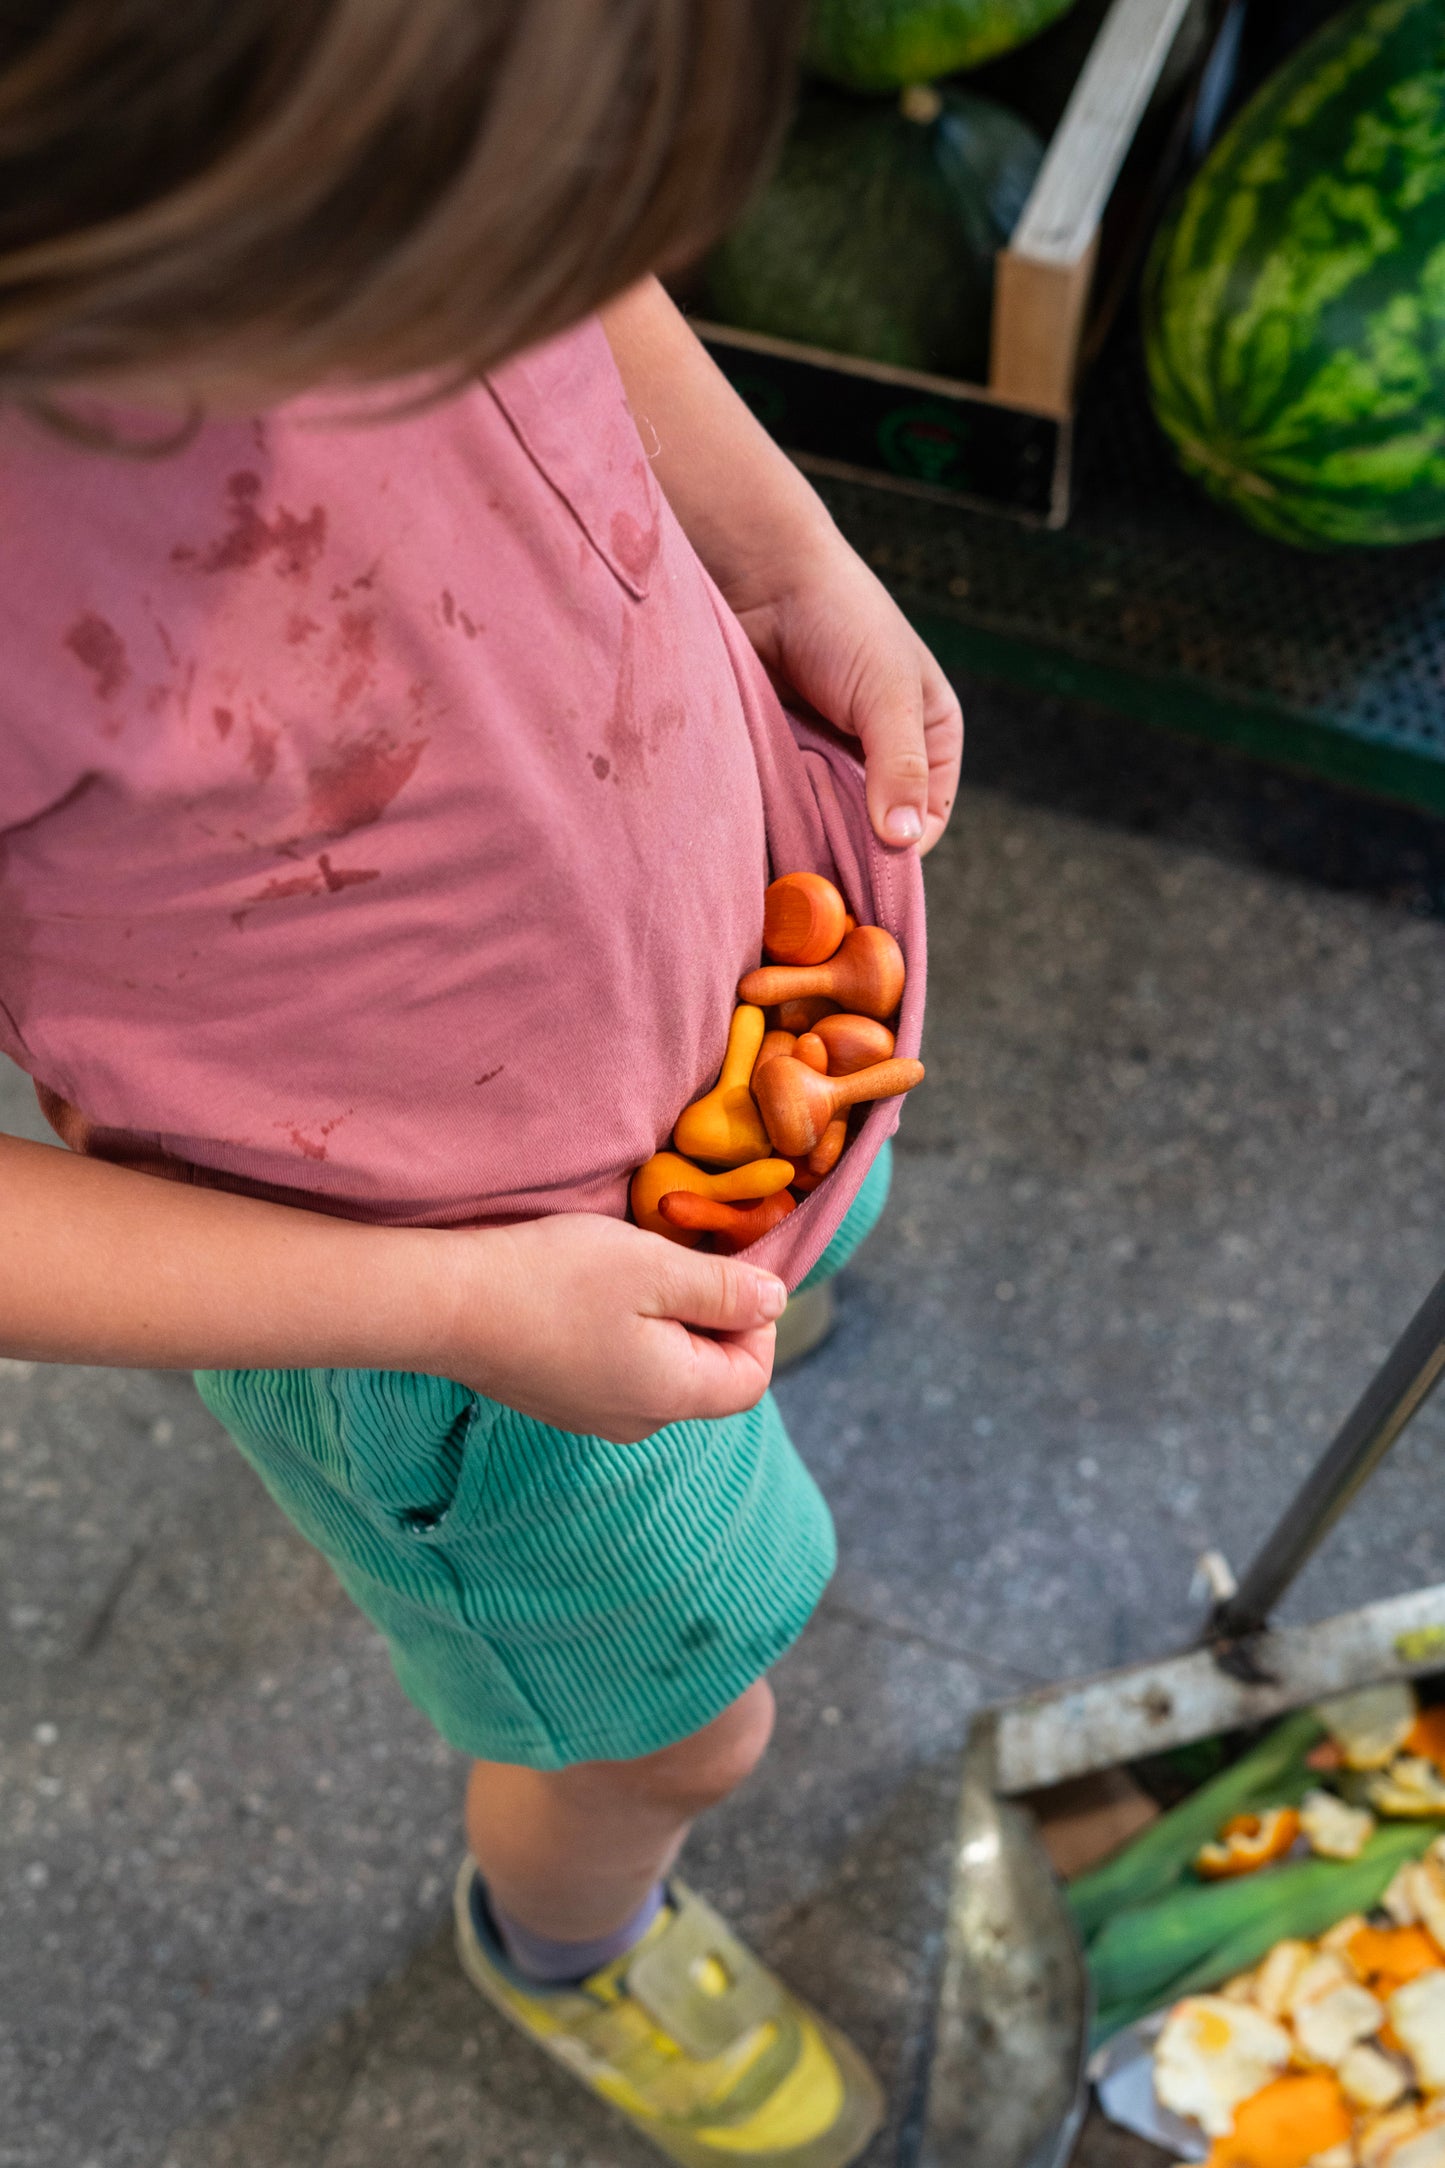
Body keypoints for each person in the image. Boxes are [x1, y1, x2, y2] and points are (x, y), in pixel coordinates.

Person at [0, 4, 962, 2161]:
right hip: (445, 1315)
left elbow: (576, 265)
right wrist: (453, 1312)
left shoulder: (387, 125)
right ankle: (568, 1940)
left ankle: (762, 1312)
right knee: (678, 1733)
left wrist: (786, 548)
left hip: (728, 968)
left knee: (798, 1257)